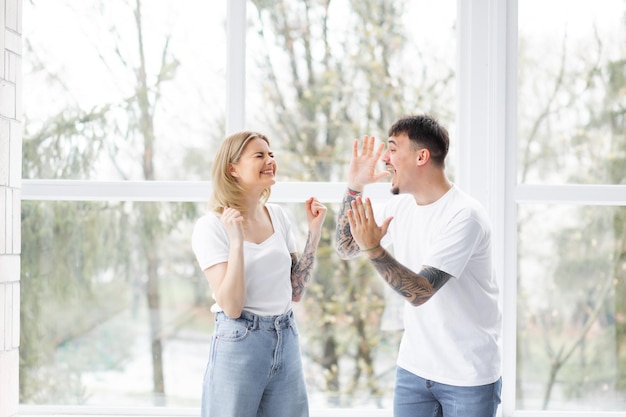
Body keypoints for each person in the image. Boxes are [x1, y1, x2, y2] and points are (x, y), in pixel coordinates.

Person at [335, 114, 502, 417]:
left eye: (393, 148)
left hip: (467, 375)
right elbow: (345, 247)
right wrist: (354, 187)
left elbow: (421, 292)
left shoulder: (464, 215)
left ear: (421, 156)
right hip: (414, 369)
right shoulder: (401, 206)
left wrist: (374, 249)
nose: (385, 158)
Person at [191, 131, 327, 417]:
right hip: (240, 341)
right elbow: (231, 305)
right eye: (259, 155)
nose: (270, 160)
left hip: (285, 335)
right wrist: (237, 241)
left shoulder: (277, 216)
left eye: (271, 154)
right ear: (232, 168)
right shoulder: (211, 227)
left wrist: (314, 233)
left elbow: (296, 291)